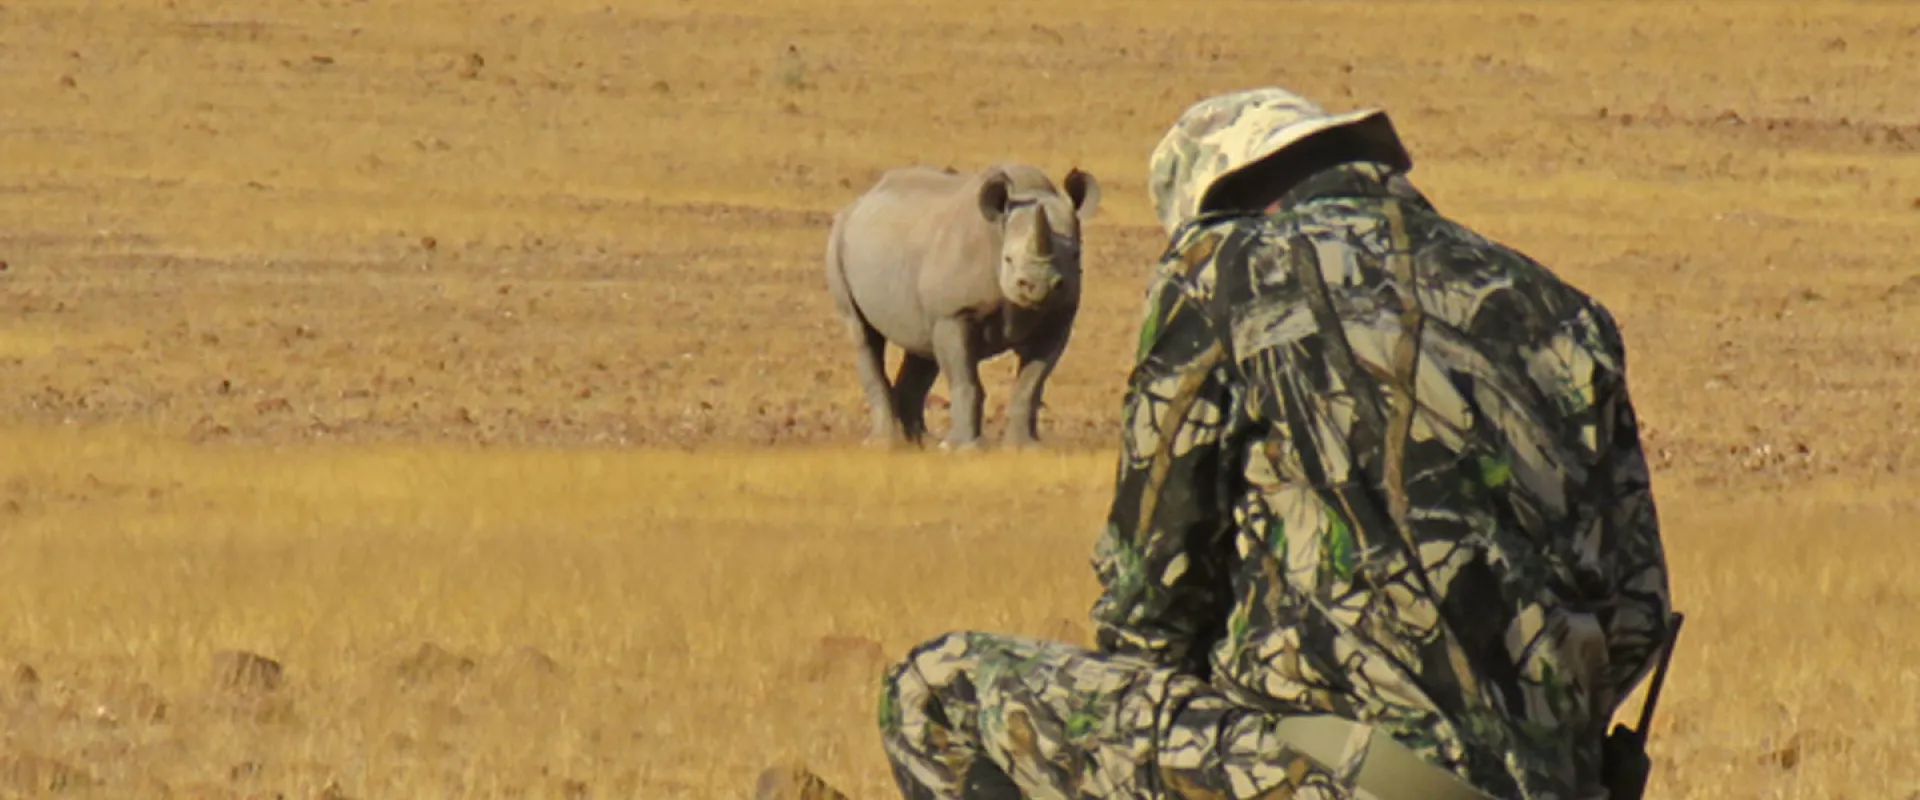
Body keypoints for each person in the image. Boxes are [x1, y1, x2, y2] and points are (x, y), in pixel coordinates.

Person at [762, 86, 1676, 800]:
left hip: (1317, 774)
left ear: (1227, 201)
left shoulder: (1223, 271)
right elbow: (1636, 617)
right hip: (1556, 784)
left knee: (934, 689)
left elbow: (1151, 603)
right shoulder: (1565, 312)